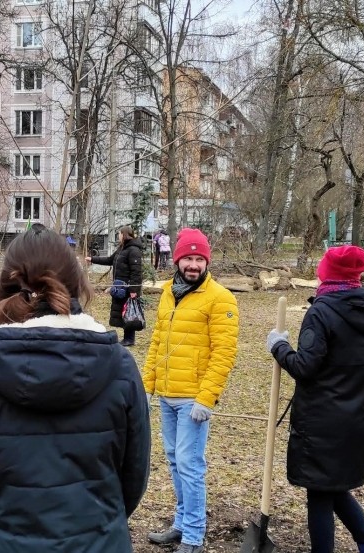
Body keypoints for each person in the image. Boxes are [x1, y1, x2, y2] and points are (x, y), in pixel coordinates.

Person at [0, 224, 151, 552]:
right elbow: (135, 475)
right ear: (76, 284)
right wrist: (99, 524)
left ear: (6, 285)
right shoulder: (120, 366)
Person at [266, 245, 364, 553]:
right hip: (358, 415)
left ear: (327, 274)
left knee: (320, 492)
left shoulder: (321, 311)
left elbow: (304, 367)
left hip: (323, 419)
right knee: (334, 488)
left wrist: (279, 347)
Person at [142, 228, 239, 553]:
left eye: (199, 259)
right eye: (188, 258)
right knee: (174, 460)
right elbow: (158, 343)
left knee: (190, 464)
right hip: (168, 394)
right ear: (178, 260)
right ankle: (181, 524)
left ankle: (194, 537)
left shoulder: (220, 298)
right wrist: (147, 387)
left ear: (206, 262)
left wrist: (206, 398)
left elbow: (224, 353)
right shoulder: (169, 292)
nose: (193, 265)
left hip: (193, 400)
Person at [85, 225, 145, 346]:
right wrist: (92, 259)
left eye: (119, 234)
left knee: (129, 312)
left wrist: (134, 289)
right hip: (120, 287)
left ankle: (129, 338)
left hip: (128, 287)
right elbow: (109, 260)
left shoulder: (133, 250)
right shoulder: (122, 249)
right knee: (122, 312)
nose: (118, 236)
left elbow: (136, 272)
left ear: (124, 234)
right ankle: (127, 337)